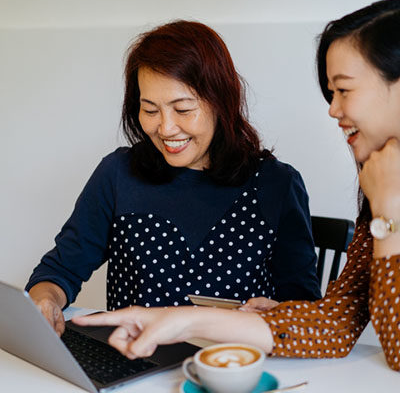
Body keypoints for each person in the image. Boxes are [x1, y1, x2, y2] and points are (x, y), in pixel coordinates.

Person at [74, 0, 400, 372]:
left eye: (344, 90)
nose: (332, 109)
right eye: (331, 92)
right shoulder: (380, 178)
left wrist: (390, 213)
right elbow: (335, 325)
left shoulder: (364, 188)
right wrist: (187, 320)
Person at [26, 20, 321, 337]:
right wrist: (45, 301)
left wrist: (281, 313)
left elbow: (304, 306)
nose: (165, 129)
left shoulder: (276, 184)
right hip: (135, 364)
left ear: (221, 102)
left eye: (182, 109)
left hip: (230, 367)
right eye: (150, 110)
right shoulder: (117, 174)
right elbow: (60, 271)